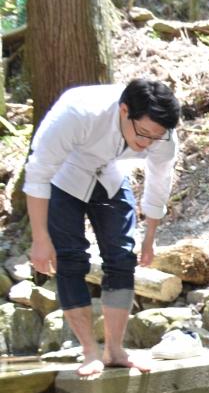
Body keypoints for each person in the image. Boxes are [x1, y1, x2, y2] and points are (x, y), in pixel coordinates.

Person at [23, 79, 181, 376]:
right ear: (124, 110)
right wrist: (40, 237)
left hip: (110, 173)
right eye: (143, 134)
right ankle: (89, 351)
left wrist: (149, 237)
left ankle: (115, 349)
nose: (147, 143)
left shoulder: (163, 136)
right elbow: (38, 172)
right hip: (64, 174)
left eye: (155, 137)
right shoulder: (78, 112)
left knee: (122, 258)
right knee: (71, 259)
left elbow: (159, 182)